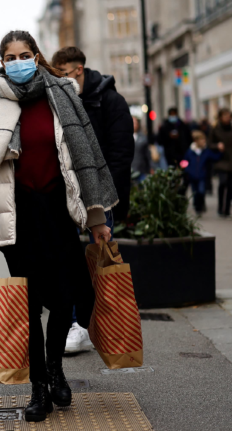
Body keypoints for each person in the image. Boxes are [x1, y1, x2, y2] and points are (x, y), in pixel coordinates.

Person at [0, 31, 116, 423]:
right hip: (19, 219)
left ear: (36, 56)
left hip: (59, 212)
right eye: (10, 56)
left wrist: (98, 220)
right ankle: (38, 387)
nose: (18, 61)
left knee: (64, 299)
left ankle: (56, 371)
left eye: (25, 54)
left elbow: (87, 160)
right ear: (2, 62)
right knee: (30, 307)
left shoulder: (63, 95)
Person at [50, 46, 133, 353]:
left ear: (78, 70)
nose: (61, 80)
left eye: (64, 74)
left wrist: (114, 200)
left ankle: (105, 322)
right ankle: (77, 324)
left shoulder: (110, 101)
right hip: (70, 196)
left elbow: (121, 155)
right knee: (71, 262)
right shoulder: (62, 101)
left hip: (100, 197)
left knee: (101, 262)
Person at [209, 109, 232, 218]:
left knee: (230, 185)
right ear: (220, 117)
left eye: (228, 116)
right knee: (222, 182)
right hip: (221, 160)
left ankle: (227, 210)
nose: (227, 118)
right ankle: (220, 208)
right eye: (225, 116)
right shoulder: (215, 129)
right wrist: (217, 146)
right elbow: (209, 143)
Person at [182, 131, 221, 215]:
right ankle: (197, 207)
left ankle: (201, 205)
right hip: (192, 176)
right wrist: (186, 169)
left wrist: (220, 151)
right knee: (195, 193)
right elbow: (185, 161)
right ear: (196, 141)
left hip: (202, 175)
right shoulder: (190, 151)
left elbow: (214, 157)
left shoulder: (206, 151)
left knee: (201, 191)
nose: (203, 141)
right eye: (201, 140)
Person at [131, 117, 152, 183]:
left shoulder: (143, 138)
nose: (134, 125)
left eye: (135, 123)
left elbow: (147, 155)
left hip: (141, 169)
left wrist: (151, 167)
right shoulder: (124, 137)